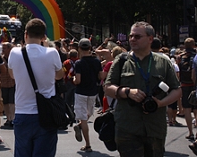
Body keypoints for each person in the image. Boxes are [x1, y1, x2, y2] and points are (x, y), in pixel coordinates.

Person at [105, 21, 181, 157]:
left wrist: (161, 103)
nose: (132, 39)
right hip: (128, 127)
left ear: (150, 39)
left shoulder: (163, 62)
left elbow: (177, 90)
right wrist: (127, 92)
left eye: (137, 36)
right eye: (131, 36)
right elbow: (108, 87)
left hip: (154, 127)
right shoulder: (121, 61)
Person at [8, 18, 63, 157]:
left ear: (25, 34)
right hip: (46, 113)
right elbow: (59, 75)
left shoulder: (14, 53)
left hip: (22, 112)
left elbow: (12, 75)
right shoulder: (52, 53)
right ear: (44, 36)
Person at [72, 38, 104, 153]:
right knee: (89, 114)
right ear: (90, 48)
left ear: (79, 48)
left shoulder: (79, 63)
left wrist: (74, 79)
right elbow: (101, 76)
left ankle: (88, 144)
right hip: (93, 91)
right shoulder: (96, 61)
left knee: (83, 118)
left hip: (81, 92)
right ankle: (80, 126)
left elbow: (78, 80)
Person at [0, 42, 15, 127]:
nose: (3, 50)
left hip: (13, 82)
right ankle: (8, 118)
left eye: (4, 48)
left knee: (12, 101)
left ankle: (13, 118)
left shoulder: (14, 58)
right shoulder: (1, 59)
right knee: (5, 101)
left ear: (9, 49)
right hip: (3, 82)